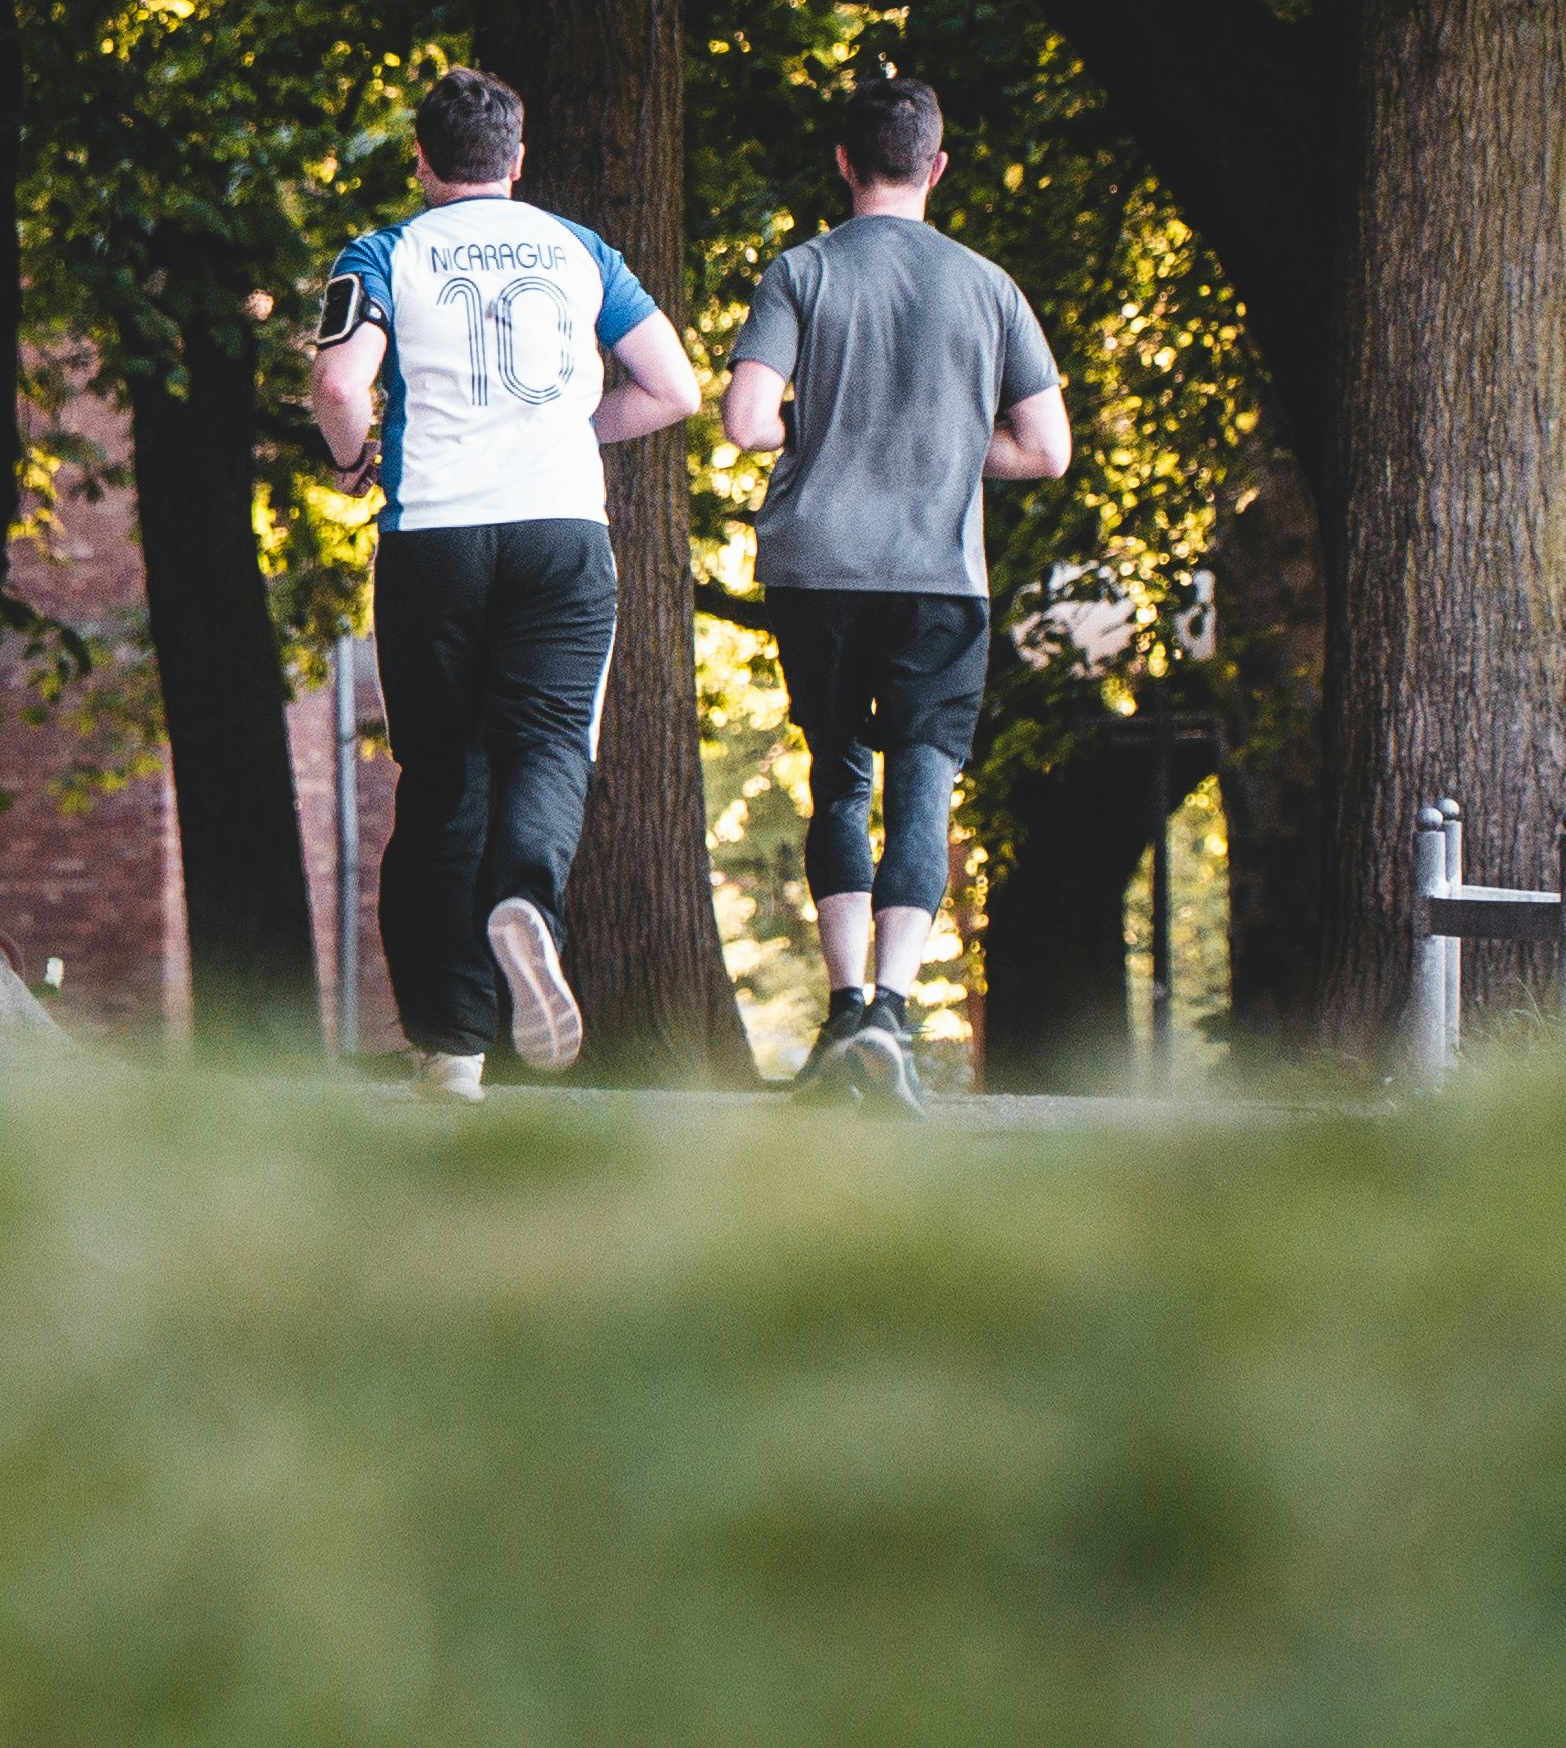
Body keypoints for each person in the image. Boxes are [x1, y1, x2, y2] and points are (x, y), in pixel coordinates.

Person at [309, 64, 701, 1096]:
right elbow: (673, 389)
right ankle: (525, 901)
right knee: (547, 746)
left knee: (441, 784)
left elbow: (341, 382)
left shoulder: (384, 251)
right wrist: (580, 429)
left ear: (422, 160)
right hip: (559, 533)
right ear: (517, 161)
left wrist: (354, 463)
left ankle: (451, 1053)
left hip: (433, 535)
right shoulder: (581, 250)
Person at [721, 72, 1070, 1107]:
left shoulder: (801, 271)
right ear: (937, 167)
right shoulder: (989, 287)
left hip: (816, 565)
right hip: (936, 576)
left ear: (841, 162)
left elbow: (745, 420)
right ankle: (893, 1017)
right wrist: (952, 451)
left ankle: (837, 1021)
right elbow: (1045, 450)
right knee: (922, 783)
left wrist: (829, 434)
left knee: (839, 776)